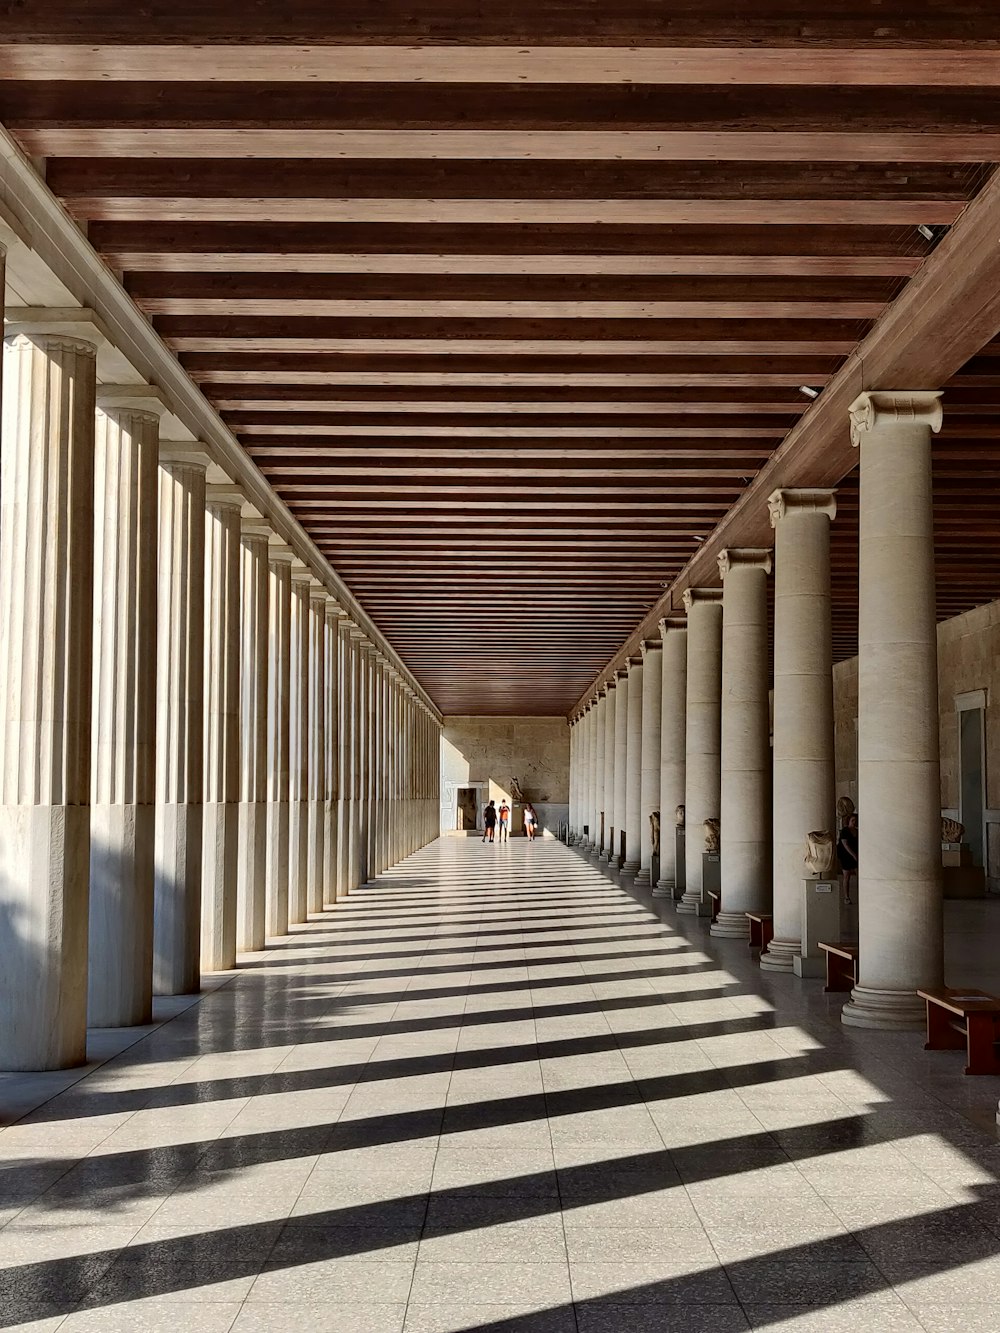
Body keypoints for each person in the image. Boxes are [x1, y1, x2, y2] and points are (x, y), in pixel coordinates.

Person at [837, 813, 858, 905]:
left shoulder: (857, 831)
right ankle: (846, 897)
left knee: (859, 874)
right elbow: (845, 845)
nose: (854, 822)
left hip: (856, 855)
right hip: (846, 856)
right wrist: (854, 855)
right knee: (846, 876)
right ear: (849, 821)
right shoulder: (845, 831)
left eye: (855, 820)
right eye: (852, 820)